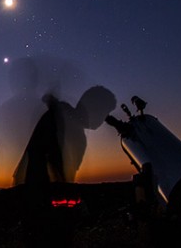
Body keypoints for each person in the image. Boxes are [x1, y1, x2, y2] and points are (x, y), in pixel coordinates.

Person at [12, 85, 116, 247]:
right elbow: (53, 161)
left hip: (38, 201)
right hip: (43, 207)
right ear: (94, 107)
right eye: (105, 113)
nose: (104, 120)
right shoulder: (66, 121)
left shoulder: (67, 119)